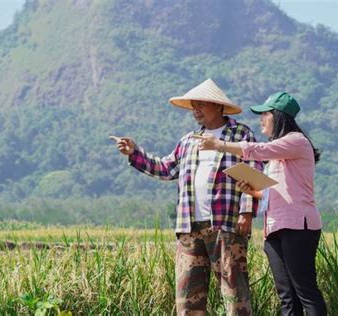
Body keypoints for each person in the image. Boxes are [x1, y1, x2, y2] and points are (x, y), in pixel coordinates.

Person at [112, 79, 263, 316]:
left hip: (226, 223)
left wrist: (246, 212)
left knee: (234, 292)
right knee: (188, 296)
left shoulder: (240, 134)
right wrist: (135, 153)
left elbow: (253, 172)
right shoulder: (188, 140)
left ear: (218, 106)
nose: (196, 110)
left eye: (201, 104)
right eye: (194, 105)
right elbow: (166, 169)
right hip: (189, 226)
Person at [194, 92, 327, 315]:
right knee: (286, 295)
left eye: (264, 114)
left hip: (298, 227)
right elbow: (276, 193)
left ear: (278, 116)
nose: (261, 120)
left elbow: (258, 151)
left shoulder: (295, 141)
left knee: (305, 290)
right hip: (274, 226)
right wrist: (254, 191)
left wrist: (219, 144)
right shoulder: (280, 151)